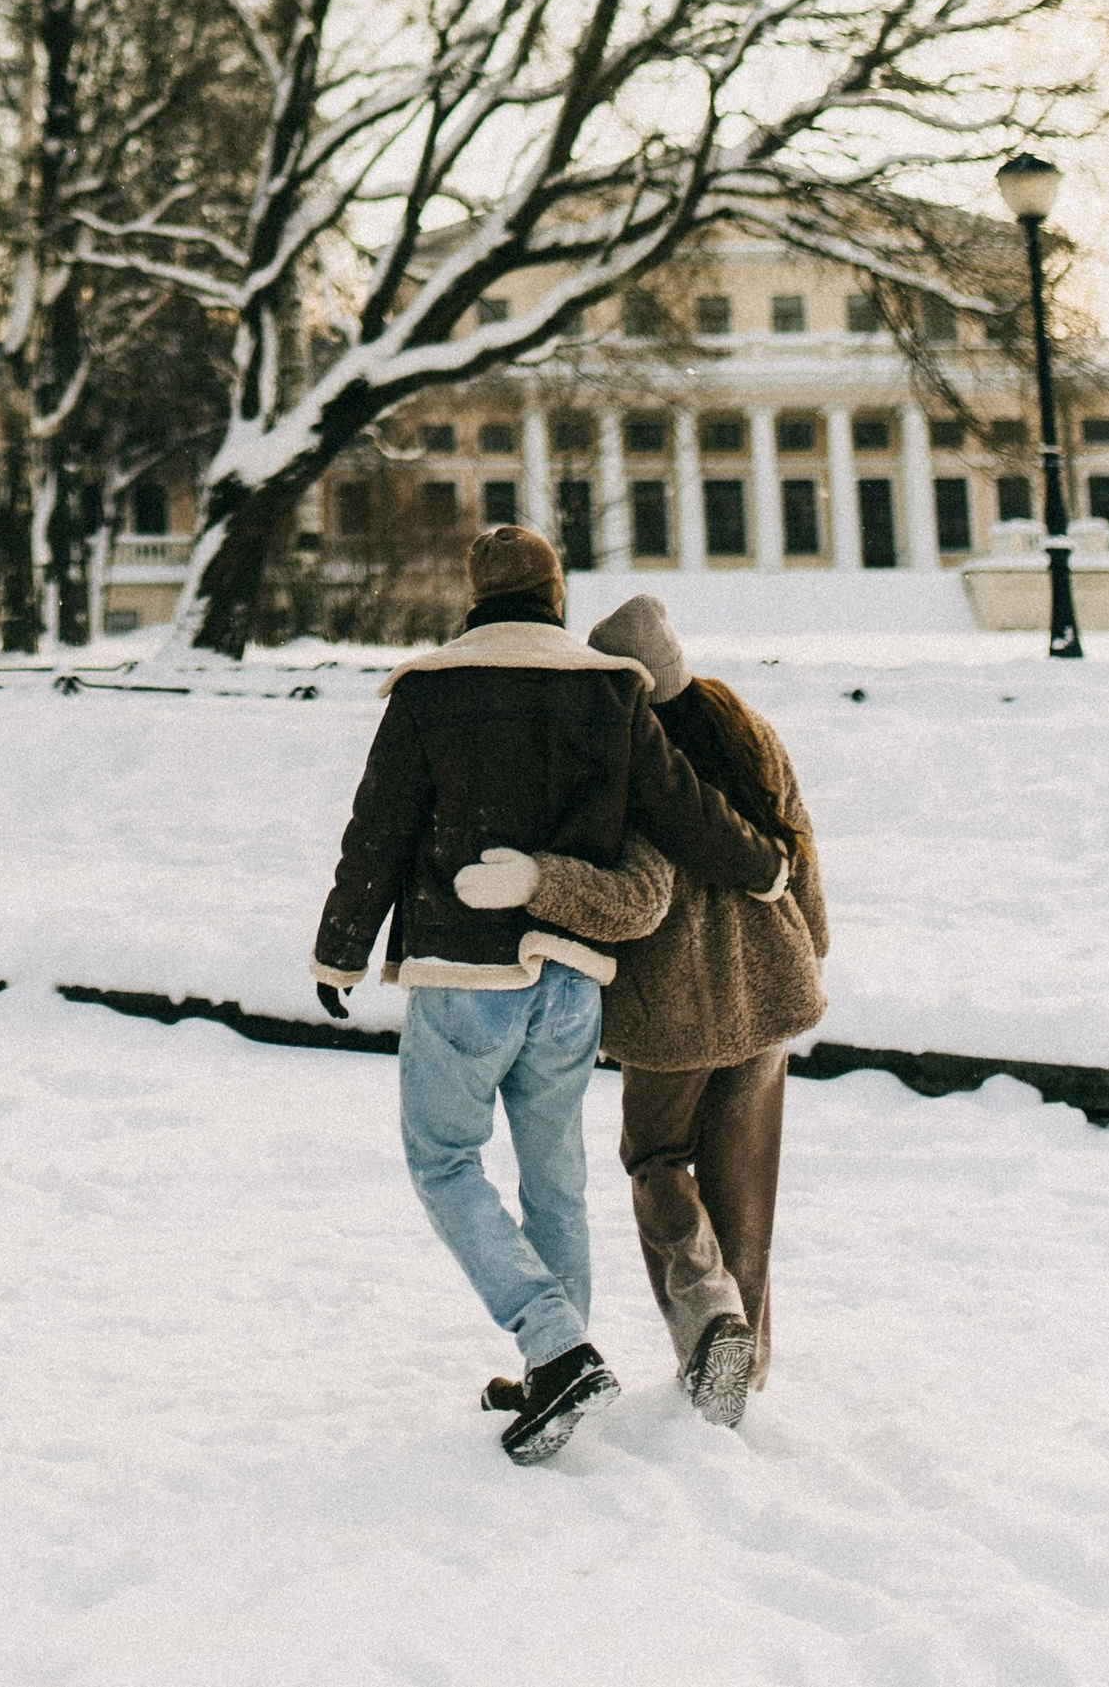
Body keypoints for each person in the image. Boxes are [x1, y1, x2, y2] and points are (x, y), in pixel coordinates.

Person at [311, 527, 791, 1466]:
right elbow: (679, 802)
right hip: (571, 973)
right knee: (554, 1177)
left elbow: (378, 827)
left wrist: (339, 949)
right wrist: (762, 864)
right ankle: (552, 1369)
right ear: (558, 595)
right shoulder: (608, 691)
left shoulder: (430, 691)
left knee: (444, 1161)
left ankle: (554, 1344)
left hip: (464, 974)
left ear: (472, 599)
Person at [495, 594, 827, 1430]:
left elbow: (630, 901)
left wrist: (539, 892)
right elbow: (800, 841)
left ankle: (710, 1315)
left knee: (658, 1160)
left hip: (673, 1011)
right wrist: (809, 944)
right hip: (770, 989)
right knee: (746, 1181)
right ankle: (736, 1371)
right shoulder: (744, 728)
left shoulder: (629, 762)